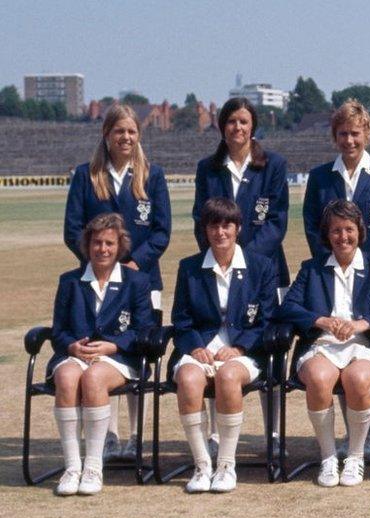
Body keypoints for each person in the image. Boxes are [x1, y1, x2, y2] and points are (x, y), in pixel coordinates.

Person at [277, 200, 370, 487]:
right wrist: (322, 321)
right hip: (322, 345)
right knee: (318, 376)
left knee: (357, 378)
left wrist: (365, 323)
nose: (343, 237)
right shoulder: (311, 269)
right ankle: (327, 458)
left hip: (365, 344)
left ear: (359, 231)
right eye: (336, 230)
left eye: (349, 229)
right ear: (327, 235)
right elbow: (287, 307)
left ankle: (355, 456)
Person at [63, 103, 171, 462]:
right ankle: (107, 435)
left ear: (139, 135)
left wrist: (132, 264)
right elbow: (73, 229)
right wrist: (103, 266)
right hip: (98, 283)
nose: (125, 137)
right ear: (106, 135)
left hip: (143, 280)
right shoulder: (86, 175)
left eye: (131, 131)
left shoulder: (152, 175)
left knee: (137, 352)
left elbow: (161, 231)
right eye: (118, 131)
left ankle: (137, 435)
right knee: (99, 354)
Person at [303, 99, 370, 457]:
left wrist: (368, 267)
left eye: (356, 133)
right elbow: (313, 228)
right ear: (335, 136)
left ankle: (369, 432)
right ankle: (348, 435)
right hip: (334, 277)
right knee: (335, 355)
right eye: (343, 133)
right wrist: (336, 268)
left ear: (368, 134)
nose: (350, 140)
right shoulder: (320, 177)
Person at [193, 97, 290, 457]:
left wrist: (246, 261)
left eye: (245, 122)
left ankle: (274, 433)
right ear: (222, 126)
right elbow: (200, 221)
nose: (238, 128)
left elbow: (277, 221)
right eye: (232, 121)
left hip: (267, 272)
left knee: (269, 349)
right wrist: (225, 258)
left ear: (254, 126)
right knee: (219, 346)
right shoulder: (208, 168)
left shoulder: (273, 165)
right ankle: (218, 434)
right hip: (219, 269)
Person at [170, 198, 278, 493]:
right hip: (201, 350)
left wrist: (240, 348)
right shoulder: (189, 267)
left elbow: (267, 320)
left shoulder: (261, 266)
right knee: (189, 379)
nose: (220, 232)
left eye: (226, 225)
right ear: (205, 230)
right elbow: (180, 319)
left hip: (243, 353)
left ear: (238, 228)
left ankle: (226, 465)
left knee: (228, 376)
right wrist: (195, 348)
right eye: (214, 225)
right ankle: (203, 465)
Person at [49, 213, 154, 496]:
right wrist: (71, 347)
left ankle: (94, 467)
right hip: (76, 355)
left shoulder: (137, 281)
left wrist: (114, 345)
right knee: (67, 377)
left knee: (94, 378)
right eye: (97, 243)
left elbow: (145, 330)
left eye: (109, 243)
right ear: (88, 244)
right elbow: (58, 332)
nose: (103, 249)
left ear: (119, 246)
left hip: (119, 358)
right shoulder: (69, 281)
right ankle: (73, 467)